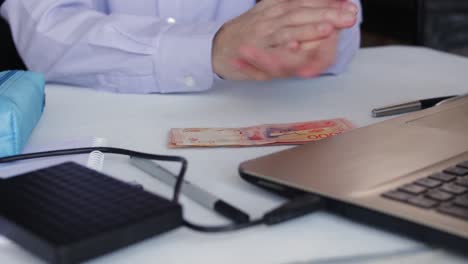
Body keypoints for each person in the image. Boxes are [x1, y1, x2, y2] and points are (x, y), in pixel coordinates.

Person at [0, 0, 361, 94]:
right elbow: (47, 32)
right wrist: (210, 49)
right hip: (103, 124)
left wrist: (315, 29)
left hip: (260, 110)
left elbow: (341, 25)